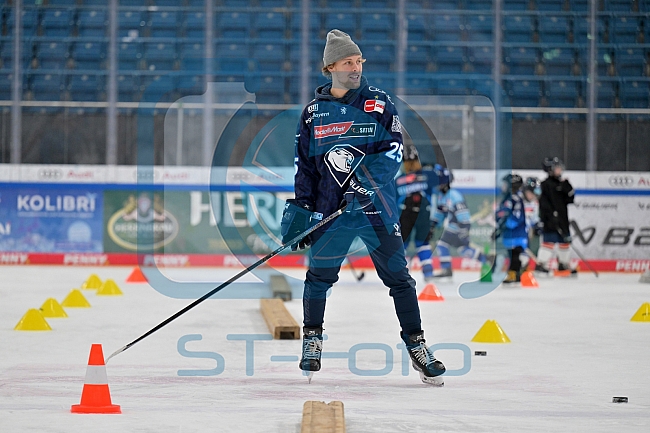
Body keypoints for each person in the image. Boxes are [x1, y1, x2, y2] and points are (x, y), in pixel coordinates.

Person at [280, 29, 445, 385]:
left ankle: (417, 346)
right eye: (348, 62)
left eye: (358, 61)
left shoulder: (379, 102)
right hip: (330, 211)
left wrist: (363, 185)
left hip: (377, 209)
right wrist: (302, 209)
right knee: (319, 278)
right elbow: (305, 167)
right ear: (330, 67)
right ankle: (311, 339)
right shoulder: (313, 114)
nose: (355, 68)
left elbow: (394, 152)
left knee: (399, 278)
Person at [430, 164, 489, 279]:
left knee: (442, 244)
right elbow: (440, 212)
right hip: (455, 227)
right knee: (463, 250)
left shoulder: (454, 196)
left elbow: (463, 214)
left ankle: (447, 270)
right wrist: (433, 224)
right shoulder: (443, 196)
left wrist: (465, 229)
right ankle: (486, 259)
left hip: (457, 227)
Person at [395, 145, 439, 281]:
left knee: (404, 244)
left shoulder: (399, 180)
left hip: (406, 213)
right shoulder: (428, 176)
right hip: (423, 213)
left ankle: (402, 275)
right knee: (422, 242)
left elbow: (394, 201)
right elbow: (435, 193)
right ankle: (428, 273)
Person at [536, 157, 577, 275]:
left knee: (565, 242)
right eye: (556, 168)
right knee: (549, 241)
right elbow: (543, 204)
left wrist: (567, 188)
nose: (560, 170)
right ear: (550, 170)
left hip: (563, 219)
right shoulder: (545, 185)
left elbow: (570, 199)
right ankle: (541, 264)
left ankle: (563, 264)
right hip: (550, 219)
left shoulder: (562, 184)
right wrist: (549, 217)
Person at [494, 174, 528, 284]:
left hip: (517, 234)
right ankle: (515, 273)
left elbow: (517, 217)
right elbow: (500, 213)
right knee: (511, 254)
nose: (502, 187)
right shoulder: (506, 198)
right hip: (509, 235)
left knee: (515, 255)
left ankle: (514, 273)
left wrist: (506, 224)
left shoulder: (515, 199)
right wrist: (499, 226)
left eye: (505, 184)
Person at [521, 176, 542, 271]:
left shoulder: (534, 203)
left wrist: (537, 225)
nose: (533, 196)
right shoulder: (517, 200)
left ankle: (522, 270)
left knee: (524, 256)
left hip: (526, 233)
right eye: (531, 193)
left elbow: (534, 218)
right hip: (516, 233)